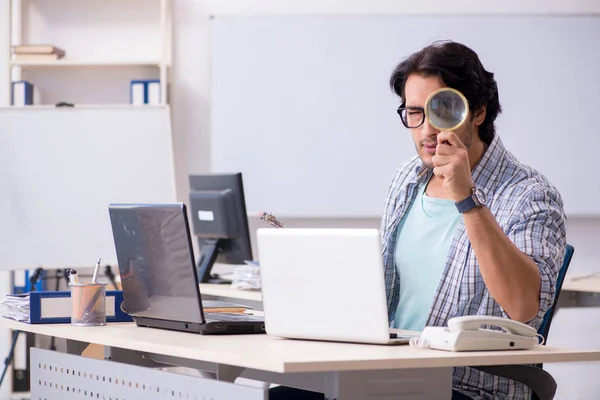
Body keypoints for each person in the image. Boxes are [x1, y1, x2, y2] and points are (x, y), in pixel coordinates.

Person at [270, 40, 567, 400]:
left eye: (440, 109)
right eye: (414, 113)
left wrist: (467, 199)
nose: (426, 130)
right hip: (387, 373)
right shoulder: (406, 178)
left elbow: (523, 307)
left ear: (478, 112)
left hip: (468, 387)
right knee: (285, 394)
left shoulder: (530, 196)